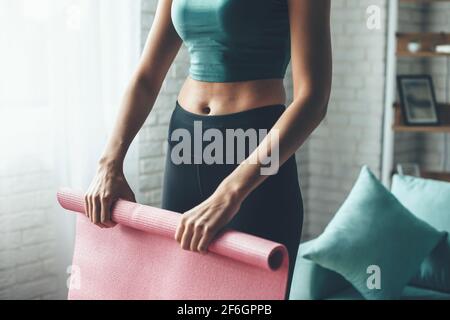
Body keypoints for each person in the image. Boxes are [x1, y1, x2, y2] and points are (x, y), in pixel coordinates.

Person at [84, 0, 332, 297]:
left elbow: (313, 100)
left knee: (248, 301)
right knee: (183, 293)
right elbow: (146, 77)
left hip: (254, 151)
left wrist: (231, 193)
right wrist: (108, 164)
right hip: (185, 146)